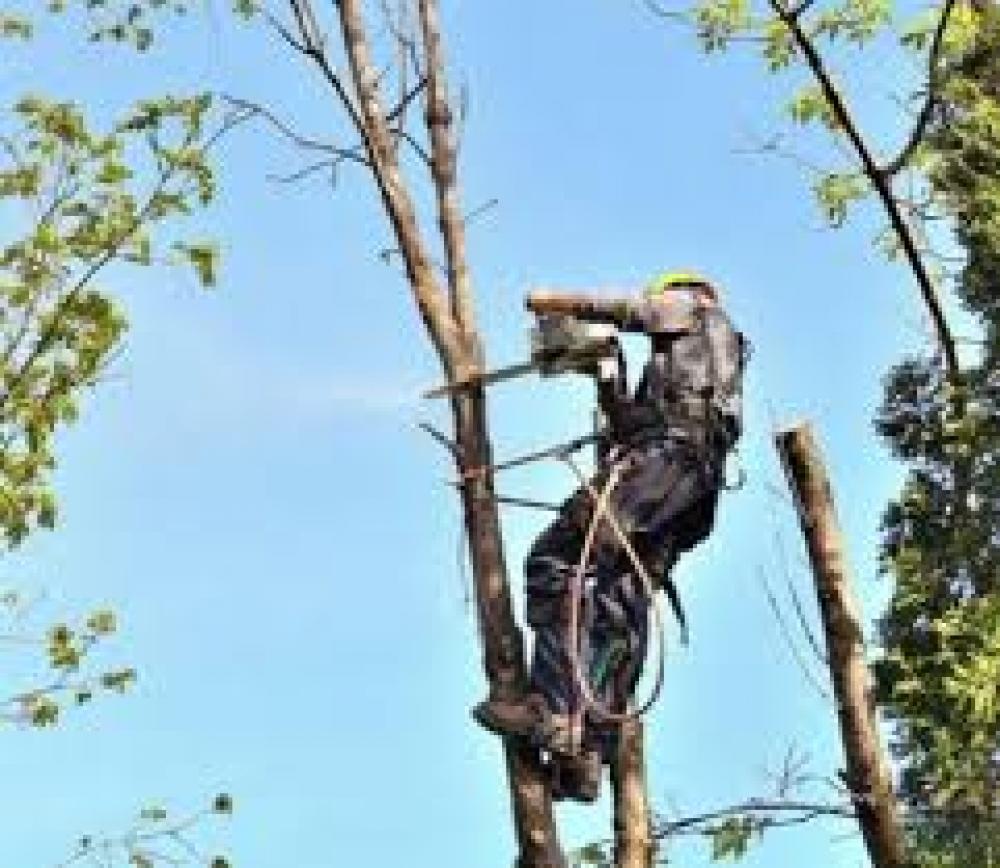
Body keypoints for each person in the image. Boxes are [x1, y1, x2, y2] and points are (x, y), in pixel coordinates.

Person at [472, 272, 748, 802]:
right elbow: (630, 425)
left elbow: (631, 309)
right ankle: (588, 752)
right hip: (686, 486)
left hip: (664, 467)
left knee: (558, 559)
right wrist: (606, 376)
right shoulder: (702, 370)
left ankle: (554, 712)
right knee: (618, 599)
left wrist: (557, 300)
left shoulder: (695, 309)